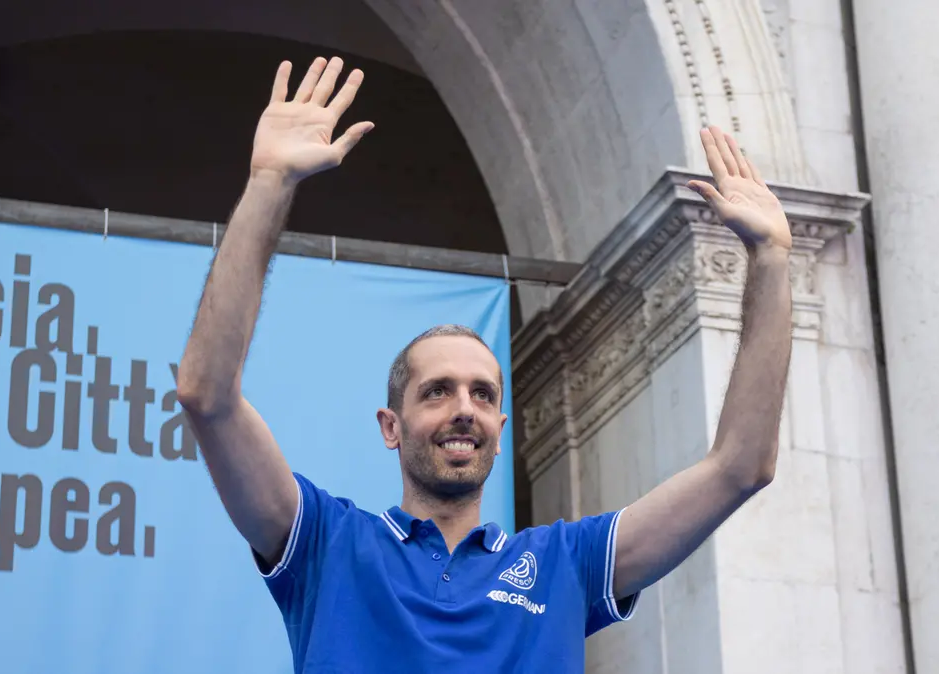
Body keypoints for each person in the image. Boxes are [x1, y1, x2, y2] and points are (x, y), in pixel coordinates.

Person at [176, 55, 793, 673]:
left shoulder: (564, 564)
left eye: (482, 394)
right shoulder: (326, 544)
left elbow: (740, 466)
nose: (465, 409)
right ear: (391, 426)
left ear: (501, 430)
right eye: (438, 391)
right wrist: (268, 183)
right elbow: (207, 393)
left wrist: (770, 259)